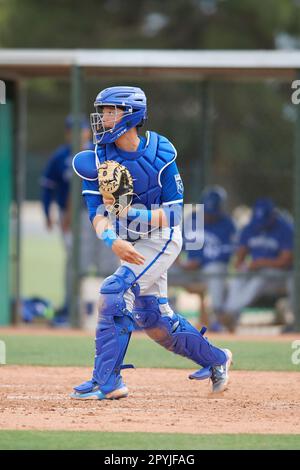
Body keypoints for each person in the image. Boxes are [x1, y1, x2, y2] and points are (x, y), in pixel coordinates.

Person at [71, 85, 232, 399]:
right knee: (154, 319)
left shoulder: (161, 152)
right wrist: (111, 239)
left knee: (115, 290)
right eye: (102, 111)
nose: (103, 117)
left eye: (110, 110)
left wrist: (132, 212)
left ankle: (107, 381)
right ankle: (217, 360)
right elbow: (95, 213)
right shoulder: (97, 155)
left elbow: (173, 215)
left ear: (131, 115)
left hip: (161, 238)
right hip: (128, 242)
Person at [40, 115, 118, 324]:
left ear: (87, 131)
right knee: (76, 264)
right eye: (72, 130)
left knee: (108, 262)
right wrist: (49, 214)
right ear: (67, 133)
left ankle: (113, 308)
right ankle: (71, 308)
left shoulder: (98, 152)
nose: (77, 134)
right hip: (74, 218)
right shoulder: (60, 156)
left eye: (81, 129)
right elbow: (48, 188)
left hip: (102, 213)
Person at [223, 198, 294, 330]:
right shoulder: (250, 227)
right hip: (257, 270)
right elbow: (239, 259)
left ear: (273, 215)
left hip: (281, 275)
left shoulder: (285, 228)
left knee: (260, 278)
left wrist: (262, 263)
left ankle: (229, 312)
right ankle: (229, 315)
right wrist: (245, 267)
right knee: (238, 278)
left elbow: (286, 260)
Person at [181, 186, 236, 331]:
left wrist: (200, 261)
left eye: (212, 212)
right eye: (206, 211)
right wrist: (179, 262)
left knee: (216, 269)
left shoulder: (227, 224)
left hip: (209, 270)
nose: (208, 215)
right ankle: (160, 316)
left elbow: (226, 255)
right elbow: (175, 245)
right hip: (186, 270)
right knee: (162, 269)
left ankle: (218, 318)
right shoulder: (192, 219)